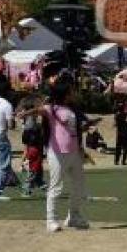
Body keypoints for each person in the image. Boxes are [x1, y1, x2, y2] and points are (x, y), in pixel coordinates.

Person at [36, 78, 89, 232]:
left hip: (74, 151)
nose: (73, 93)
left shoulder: (73, 109)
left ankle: (74, 216)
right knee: (56, 186)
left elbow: (75, 129)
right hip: (57, 153)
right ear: (64, 94)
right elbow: (38, 110)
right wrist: (26, 112)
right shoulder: (51, 109)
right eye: (71, 91)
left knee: (79, 185)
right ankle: (51, 220)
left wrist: (86, 127)